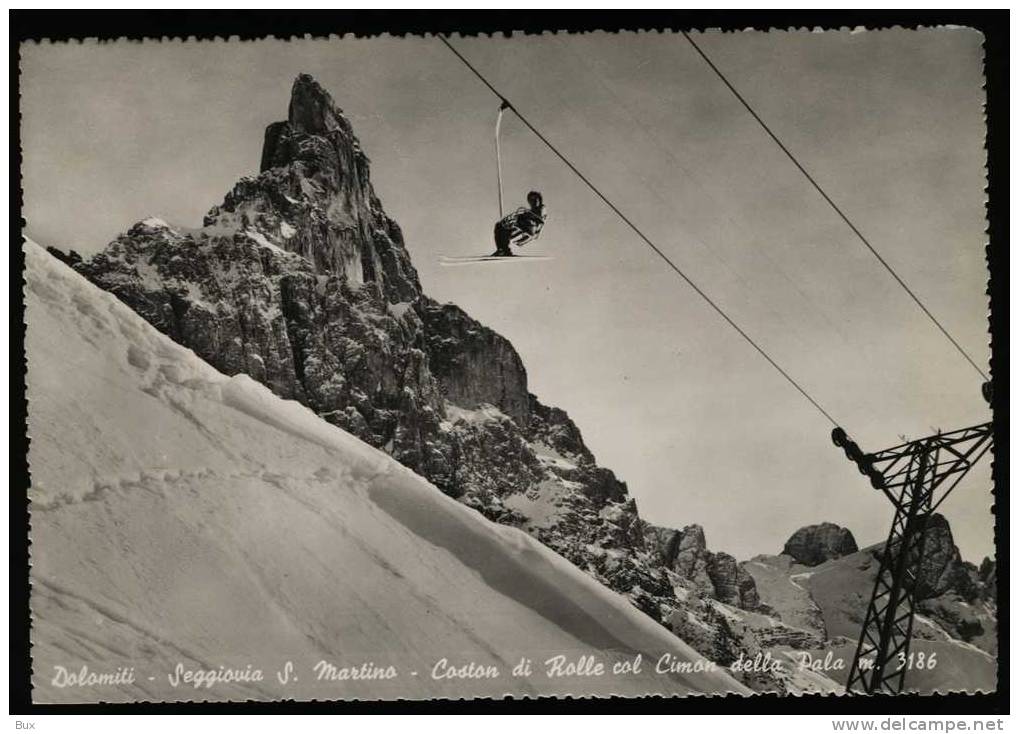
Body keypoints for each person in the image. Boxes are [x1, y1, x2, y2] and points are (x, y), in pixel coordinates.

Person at [492, 191, 547, 257]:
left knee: (506, 228)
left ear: (539, 200)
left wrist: (524, 215)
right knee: (500, 226)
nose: (533, 202)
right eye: (531, 200)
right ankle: (502, 249)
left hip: (530, 227)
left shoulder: (541, 208)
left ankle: (504, 250)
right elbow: (524, 215)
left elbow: (539, 217)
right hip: (523, 226)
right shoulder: (530, 211)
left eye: (535, 200)